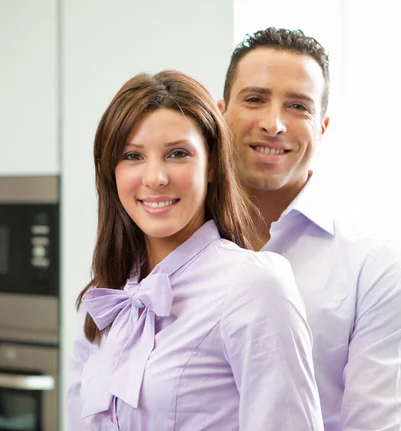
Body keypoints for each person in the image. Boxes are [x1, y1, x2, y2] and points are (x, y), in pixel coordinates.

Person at [66, 70, 324, 430]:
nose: (155, 177)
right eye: (132, 155)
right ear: (111, 171)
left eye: (177, 154)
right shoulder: (104, 298)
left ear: (213, 164)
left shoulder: (254, 286)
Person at [218, 27, 401, 431]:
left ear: (323, 126)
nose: (274, 124)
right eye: (254, 99)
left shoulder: (373, 265)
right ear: (219, 113)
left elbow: (373, 424)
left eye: (298, 106)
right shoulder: (171, 240)